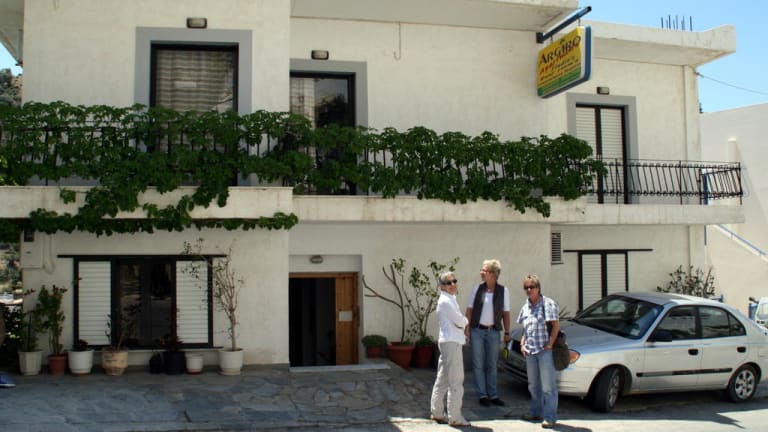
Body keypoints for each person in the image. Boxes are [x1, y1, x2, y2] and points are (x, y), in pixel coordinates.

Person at [465, 259, 510, 407]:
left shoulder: (503, 291)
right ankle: (482, 395)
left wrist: (507, 332)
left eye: (484, 270)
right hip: (477, 330)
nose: (481, 272)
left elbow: (506, 313)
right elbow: (469, 310)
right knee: (478, 364)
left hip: (493, 331)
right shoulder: (476, 289)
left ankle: (493, 394)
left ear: (492, 273)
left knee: (492, 364)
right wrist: (467, 329)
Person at [517, 274, 559, 428]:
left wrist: (550, 344)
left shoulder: (548, 304)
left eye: (532, 287)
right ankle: (536, 412)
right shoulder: (526, 306)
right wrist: (523, 343)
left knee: (548, 386)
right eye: (526, 287)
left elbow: (555, 326)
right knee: (533, 385)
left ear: (538, 288)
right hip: (530, 351)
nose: (529, 290)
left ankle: (550, 417)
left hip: (544, 350)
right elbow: (525, 327)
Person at [429, 271, 471, 427]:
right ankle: (455, 417)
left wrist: (462, 322)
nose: (453, 284)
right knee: (456, 381)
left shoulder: (448, 299)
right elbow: (460, 321)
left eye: (454, 281)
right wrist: (465, 321)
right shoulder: (446, 301)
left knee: (443, 379)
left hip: (448, 341)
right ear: (442, 286)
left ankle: (437, 412)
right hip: (452, 342)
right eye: (448, 283)